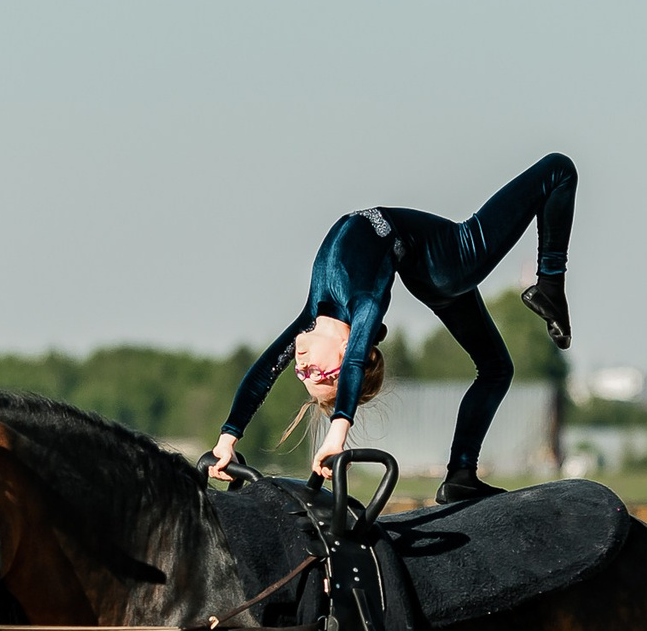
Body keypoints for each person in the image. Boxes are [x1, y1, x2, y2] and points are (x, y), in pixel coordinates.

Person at [207, 153, 577, 505]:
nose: (300, 363)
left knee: (497, 369)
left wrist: (227, 439)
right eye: (315, 373)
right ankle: (550, 280)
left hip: (427, 270)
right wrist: (338, 435)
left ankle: (460, 475)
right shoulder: (364, 305)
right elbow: (354, 365)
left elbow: (260, 377)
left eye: (301, 373)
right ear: (347, 351)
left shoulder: (313, 315)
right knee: (558, 170)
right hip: (449, 260)